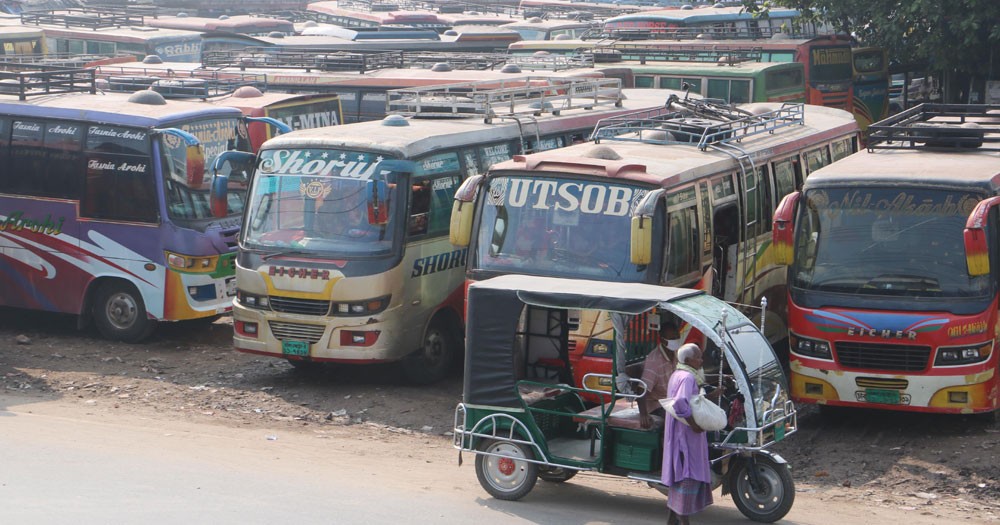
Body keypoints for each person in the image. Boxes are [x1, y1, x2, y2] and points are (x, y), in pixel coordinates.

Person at [662, 343, 714, 525]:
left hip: (678, 434)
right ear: (689, 360)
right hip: (685, 436)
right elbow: (680, 403)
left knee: (680, 480)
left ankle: (671, 521)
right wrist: (693, 425)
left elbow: (691, 401)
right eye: (699, 357)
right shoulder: (688, 377)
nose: (701, 359)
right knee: (686, 478)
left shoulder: (678, 374)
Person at [637, 317, 681, 429]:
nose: (675, 340)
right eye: (672, 338)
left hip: (672, 400)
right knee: (681, 419)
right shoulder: (654, 361)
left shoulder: (676, 353)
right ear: (662, 340)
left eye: (677, 337)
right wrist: (643, 414)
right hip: (657, 405)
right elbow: (641, 389)